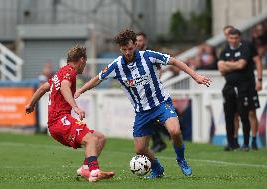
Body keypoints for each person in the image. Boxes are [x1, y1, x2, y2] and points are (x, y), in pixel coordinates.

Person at [75, 29, 211, 178]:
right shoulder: (117, 65)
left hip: (161, 104)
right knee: (140, 150)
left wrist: (196, 76)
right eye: (124, 49)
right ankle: (157, 169)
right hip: (142, 112)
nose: (127, 52)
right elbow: (97, 79)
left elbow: (175, 61)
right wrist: (80, 90)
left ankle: (181, 160)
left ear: (135, 45)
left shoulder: (149, 56)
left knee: (175, 131)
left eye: (130, 48)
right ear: (120, 48)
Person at [25, 44, 114, 182]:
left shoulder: (60, 72)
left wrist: (31, 104)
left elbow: (43, 88)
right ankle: (95, 172)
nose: (84, 67)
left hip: (56, 124)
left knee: (100, 138)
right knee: (91, 140)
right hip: (60, 121)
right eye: (85, 63)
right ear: (82, 60)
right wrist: (76, 107)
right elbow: (65, 87)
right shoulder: (69, 73)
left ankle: (85, 168)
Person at [218, 28, 261, 151]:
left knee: (248, 113)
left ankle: (251, 141)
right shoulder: (225, 50)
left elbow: (243, 64)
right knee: (232, 115)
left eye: (235, 37)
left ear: (240, 37)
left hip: (246, 86)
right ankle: (233, 142)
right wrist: (234, 65)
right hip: (230, 87)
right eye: (230, 37)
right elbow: (221, 69)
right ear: (227, 37)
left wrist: (259, 80)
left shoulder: (246, 47)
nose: (233, 40)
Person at [136, 32, 168, 153]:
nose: (138, 43)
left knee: (152, 117)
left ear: (145, 41)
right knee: (151, 118)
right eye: (136, 40)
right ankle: (162, 138)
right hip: (142, 93)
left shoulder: (150, 53)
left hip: (153, 92)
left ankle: (160, 140)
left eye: (140, 40)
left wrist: (155, 83)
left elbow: (159, 69)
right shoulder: (135, 55)